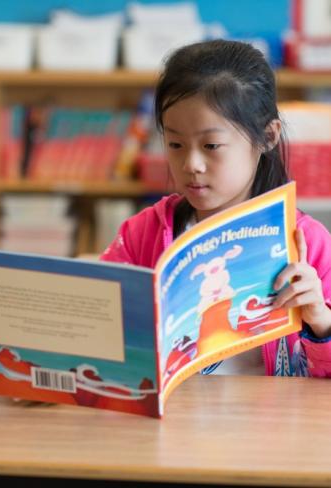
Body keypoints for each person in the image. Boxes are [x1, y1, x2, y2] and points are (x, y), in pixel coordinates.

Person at [101, 39, 331, 377]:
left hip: (271, 424)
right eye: (175, 144)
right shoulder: (142, 233)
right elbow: (102, 328)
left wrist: (321, 323)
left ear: (267, 137)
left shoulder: (308, 241)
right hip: (174, 420)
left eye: (211, 146)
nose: (191, 163)